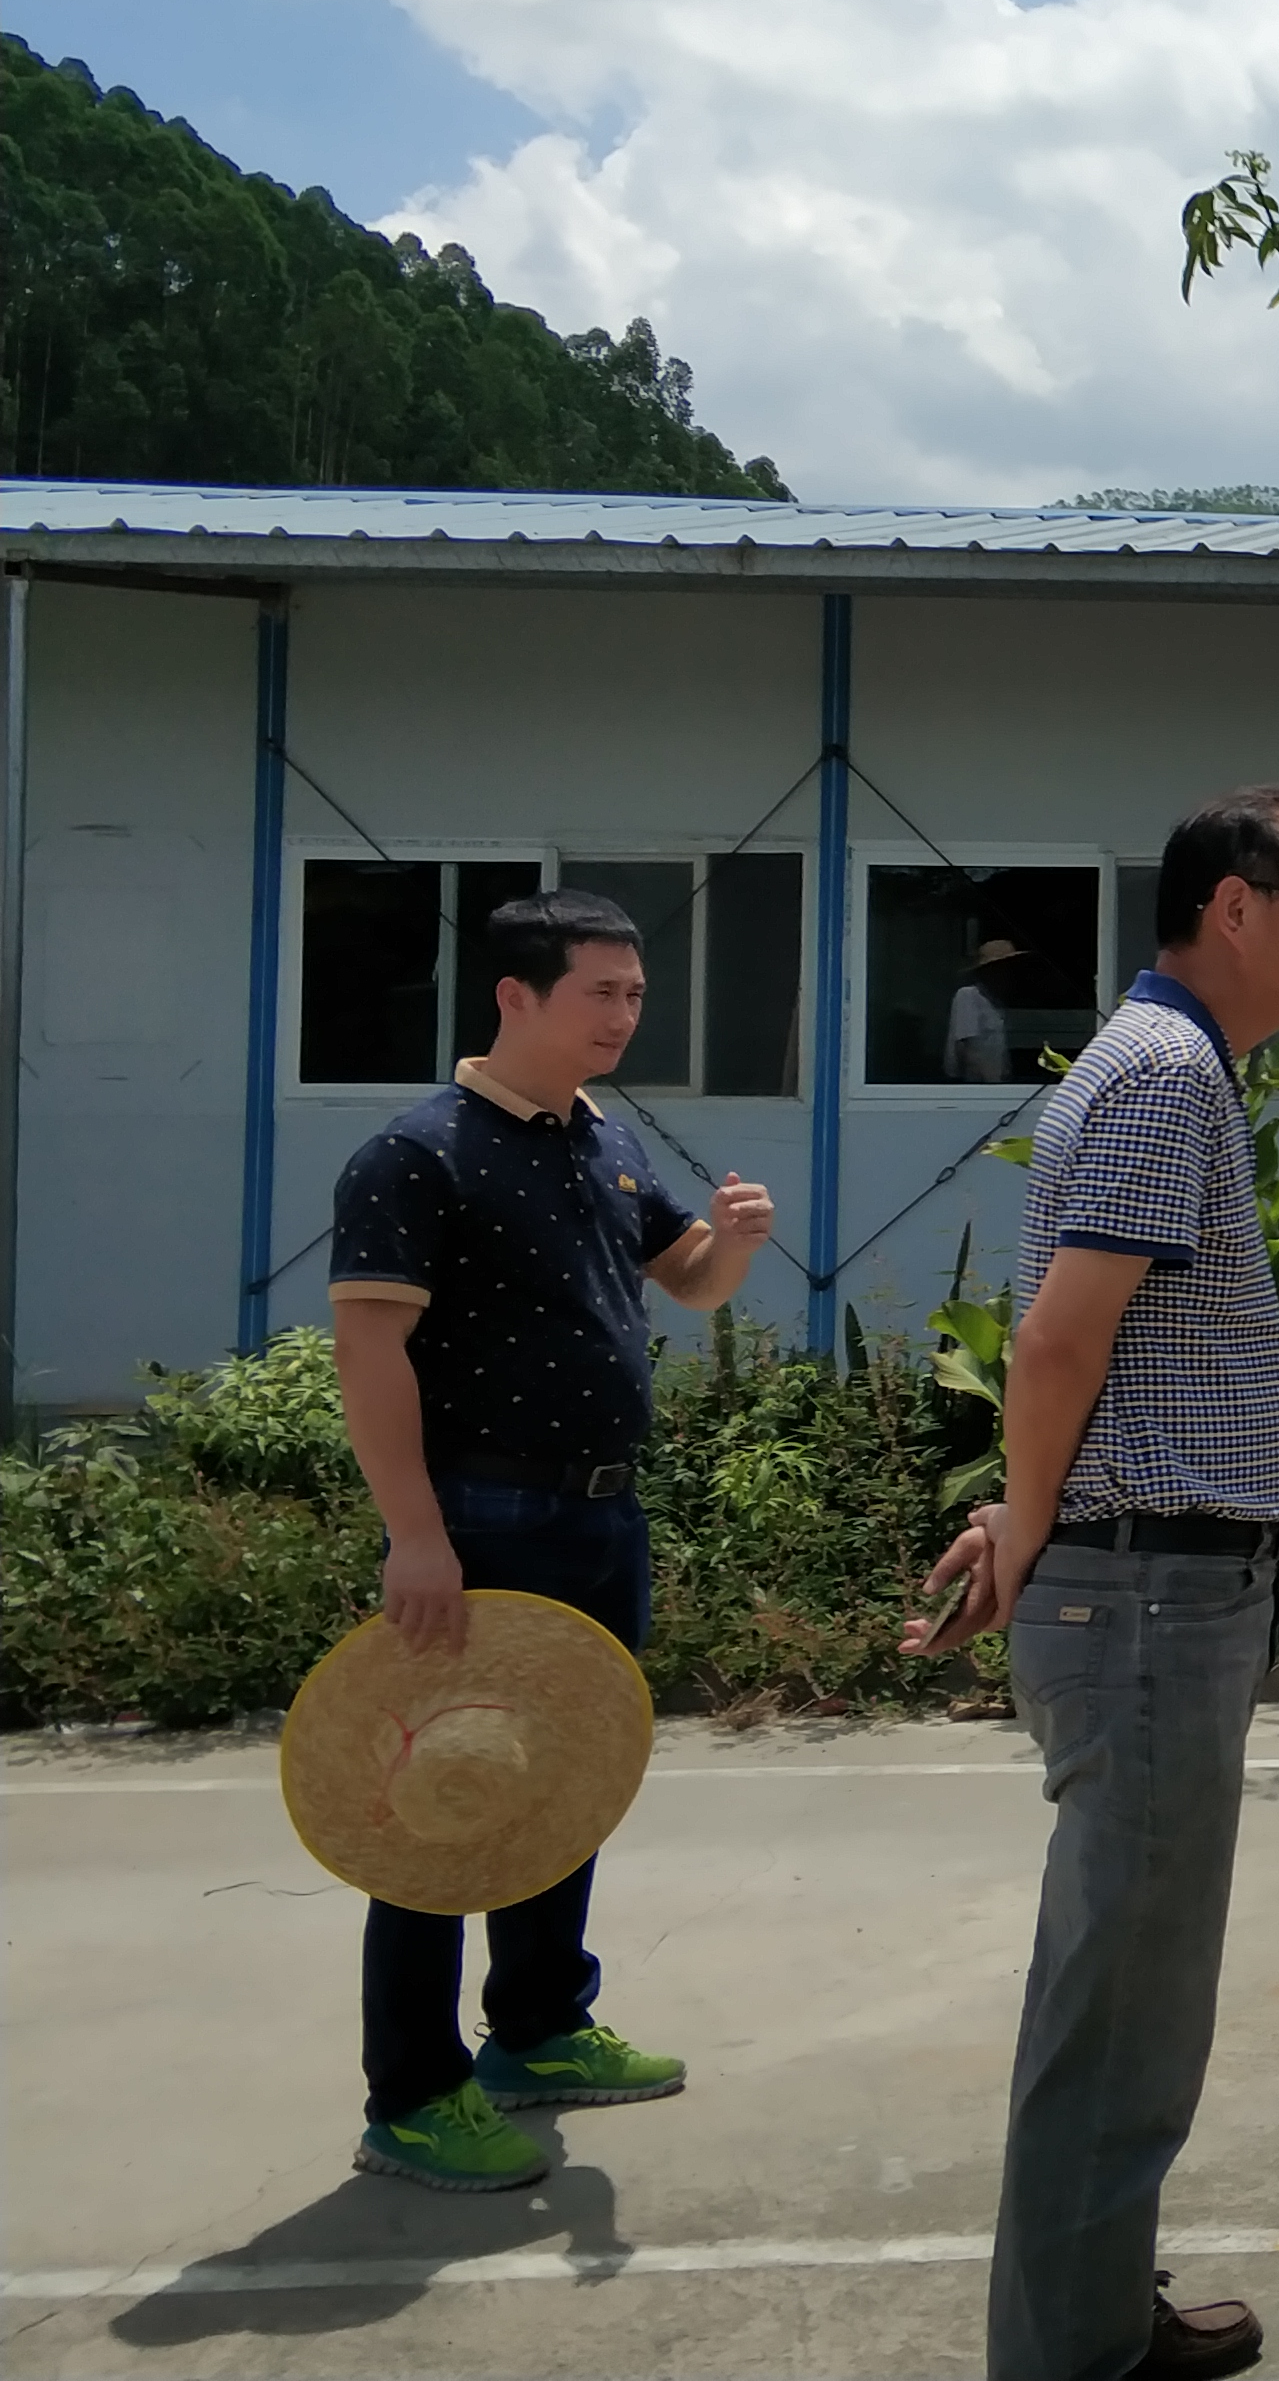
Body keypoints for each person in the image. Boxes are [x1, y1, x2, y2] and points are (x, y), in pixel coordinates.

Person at [905, 787, 1279, 2381]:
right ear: (1234, 908)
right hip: (1151, 1593)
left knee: (1131, 1993)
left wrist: (1037, 1521)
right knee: (1120, 2009)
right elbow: (1056, 1341)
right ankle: (1070, 2355)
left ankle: (1094, 2312)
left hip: (1155, 1584)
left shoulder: (1168, 1063)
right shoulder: (1167, 1072)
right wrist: (1034, 1529)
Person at [326, 887, 773, 2190]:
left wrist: (736, 1244)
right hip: (482, 1515)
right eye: (601, 993)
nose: (625, 1016)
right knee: (438, 1798)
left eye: (635, 995)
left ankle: (537, 2026)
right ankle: (413, 2094)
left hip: (598, 1512)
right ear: (516, 996)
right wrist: (415, 1535)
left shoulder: (602, 1141)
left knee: (566, 1778)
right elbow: (369, 1351)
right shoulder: (419, 1154)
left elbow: (687, 1280)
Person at [946, 936, 1024, 1082]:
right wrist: (991, 1084)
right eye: (1005, 968)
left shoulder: (996, 1003)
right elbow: (966, 1048)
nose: (1011, 973)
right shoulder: (968, 995)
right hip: (974, 1087)